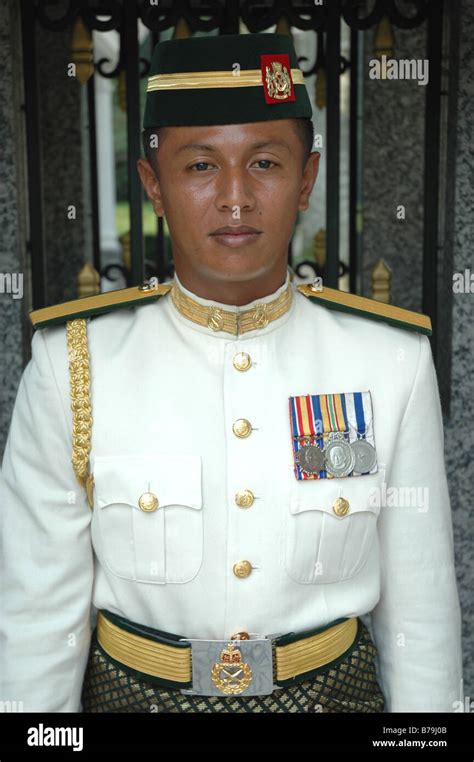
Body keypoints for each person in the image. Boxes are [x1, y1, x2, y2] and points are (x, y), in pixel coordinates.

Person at [0, 32, 462, 714]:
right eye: (200, 167)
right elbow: (37, 619)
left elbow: (420, 612)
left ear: (306, 179)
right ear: (153, 184)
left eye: (266, 162)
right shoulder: (77, 365)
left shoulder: (386, 360)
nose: (236, 197)